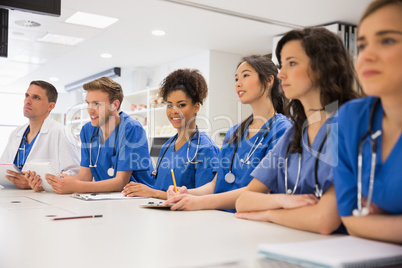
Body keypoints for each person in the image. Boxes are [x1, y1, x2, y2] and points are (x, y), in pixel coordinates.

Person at [235, 27, 360, 235]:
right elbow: (243, 201)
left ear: (323, 67)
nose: (281, 74)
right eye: (281, 64)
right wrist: (283, 200)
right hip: (292, 243)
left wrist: (269, 214)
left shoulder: (348, 124)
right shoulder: (294, 133)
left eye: (292, 63)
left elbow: (324, 220)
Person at [164, 55, 291, 211]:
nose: (238, 83)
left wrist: (200, 202)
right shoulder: (234, 133)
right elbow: (215, 184)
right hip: (222, 218)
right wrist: (185, 193)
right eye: (236, 79)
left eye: (245, 75)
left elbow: (260, 191)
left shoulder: (283, 130)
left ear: (269, 80)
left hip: (254, 222)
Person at [331, 0, 402, 244]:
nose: (366, 56)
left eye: (388, 40)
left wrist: (381, 222)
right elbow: (351, 220)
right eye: (362, 45)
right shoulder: (351, 119)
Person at [44, 77, 154, 194]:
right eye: (88, 103)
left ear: (115, 105)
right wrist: (52, 183)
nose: (90, 110)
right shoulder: (87, 131)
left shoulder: (131, 129)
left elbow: (121, 182)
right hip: (108, 198)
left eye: (97, 104)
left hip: (139, 199)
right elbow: (84, 177)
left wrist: (76, 187)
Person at [122, 69, 219, 199]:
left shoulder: (205, 149)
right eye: (169, 105)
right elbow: (160, 190)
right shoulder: (166, 147)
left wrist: (152, 192)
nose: (174, 111)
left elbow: (204, 199)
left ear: (196, 107)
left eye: (181, 105)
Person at [0, 80, 80, 190]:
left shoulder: (61, 133)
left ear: (51, 106)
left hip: (45, 202)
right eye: (27, 95)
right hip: (11, 196)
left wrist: (38, 184)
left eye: (36, 97)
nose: (28, 101)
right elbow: (3, 167)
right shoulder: (16, 134)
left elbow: (74, 174)